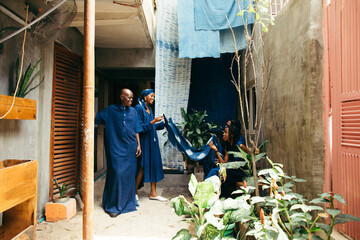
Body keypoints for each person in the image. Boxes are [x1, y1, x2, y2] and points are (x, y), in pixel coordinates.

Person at [95, 88, 142, 217]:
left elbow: (136, 129)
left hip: (130, 148)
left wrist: (139, 145)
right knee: (116, 174)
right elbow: (96, 118)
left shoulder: (133, 112)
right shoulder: (110, 110)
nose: (131, 100)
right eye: (129, 98)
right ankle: (113, 205)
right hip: (115, 149)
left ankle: (127, 202)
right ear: (122, 97)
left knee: (128, 176)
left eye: (132, 98)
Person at [135, 89, 167, 201]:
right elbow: (139, 127)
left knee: (153, 164)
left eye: (153, 96)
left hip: (153, 142)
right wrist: (153, 121)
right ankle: (134, 191)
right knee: (142, 166)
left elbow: (152, 126)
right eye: (151, 96)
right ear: (145, 97)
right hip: (144, 142)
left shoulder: (149, 109)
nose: (153, 98)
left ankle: (153, 193)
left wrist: (162, 124)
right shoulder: (138, 108)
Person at [207, 124, 247, 198]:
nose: (223, 134)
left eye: (226, 132)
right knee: (214, 171)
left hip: (239, 171)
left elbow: (250, 154)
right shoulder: (227, 146)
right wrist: (216, 150)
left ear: (231, 135)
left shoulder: (239, 145)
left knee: (217, 173)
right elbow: (224, 163)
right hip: (229, 169)